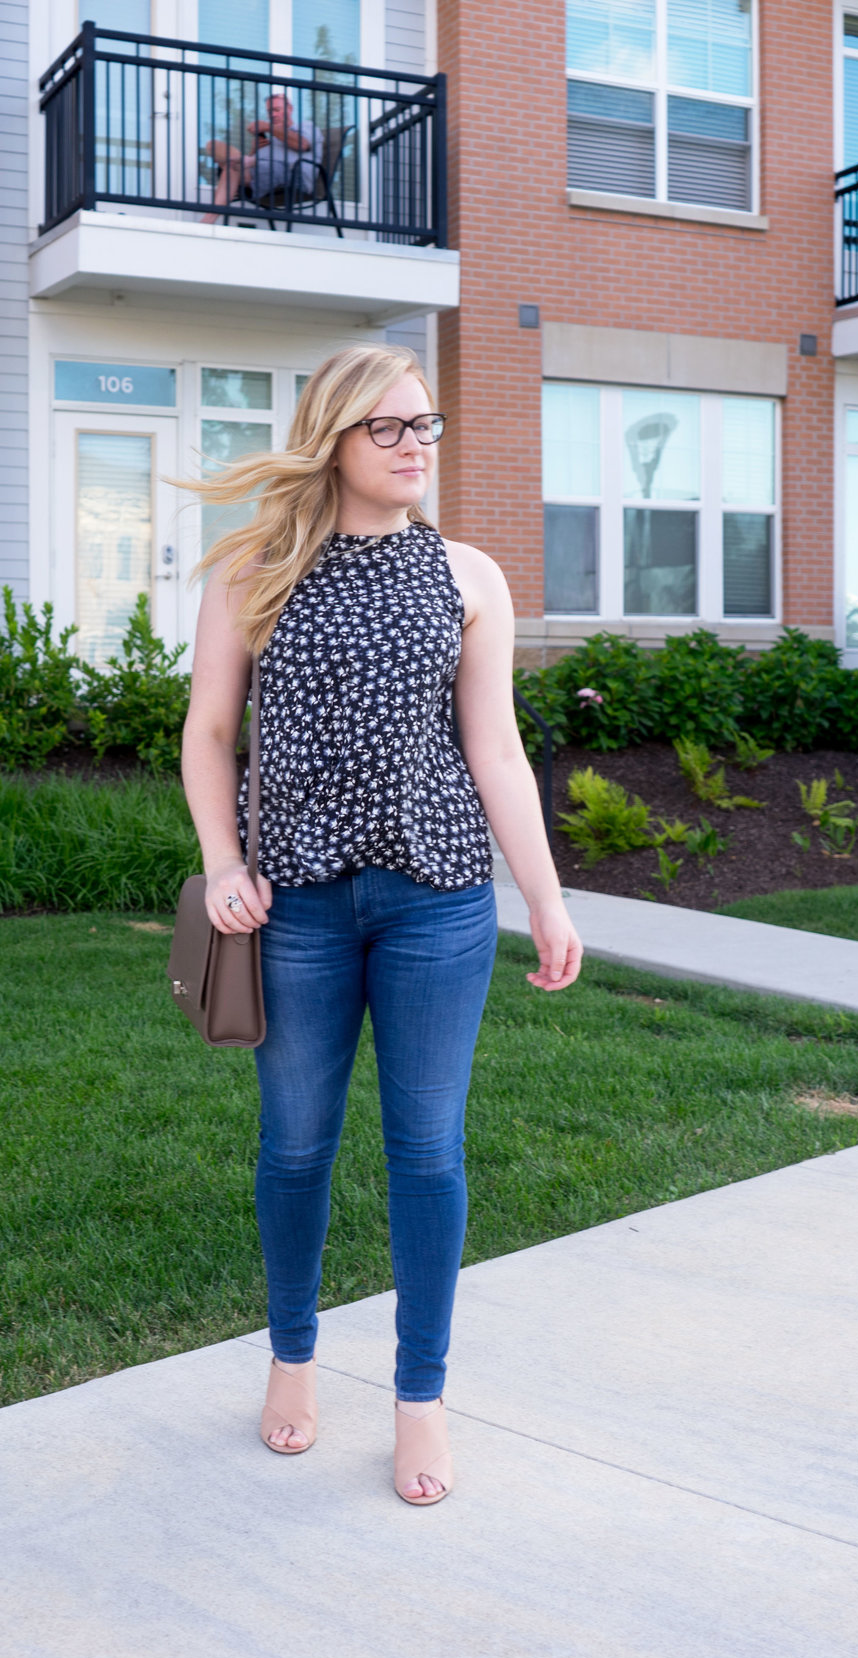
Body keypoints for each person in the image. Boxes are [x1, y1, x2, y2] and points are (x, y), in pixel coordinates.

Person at [178, 345, 584, 1507]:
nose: (417, 445)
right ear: (334, 441)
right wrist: (219, 864)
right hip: (293, 904)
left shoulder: (467, 577)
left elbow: (492, 750)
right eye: (391, 427)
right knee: (296, 1144)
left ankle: (420, 1398)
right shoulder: (256, 569)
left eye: (427, 424)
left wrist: (545, 897)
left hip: (438, 903)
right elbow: (209, 734)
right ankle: (292, 1359)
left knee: (427, 1152)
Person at [205, 93, 320, 216]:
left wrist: (267, 127)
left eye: (277, 110)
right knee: (214, 146)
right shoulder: (271, 140)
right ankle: (236, 160)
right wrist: (254, 150)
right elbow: (255, 164)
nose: (273, 115)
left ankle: (208, 220)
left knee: (234, 166)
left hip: (293, 176)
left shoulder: (306, 126)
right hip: (262, 173)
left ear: (290, 109)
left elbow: (302, 145)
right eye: (269, 111)